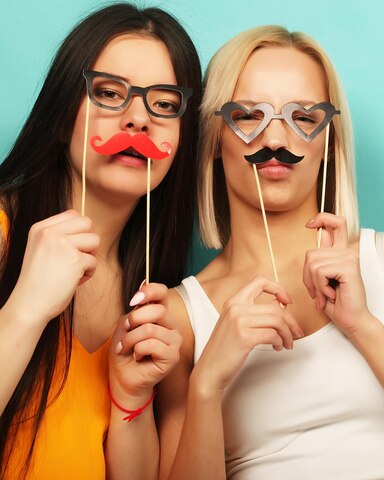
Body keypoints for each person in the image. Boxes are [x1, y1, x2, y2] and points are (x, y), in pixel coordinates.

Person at [158, 26, 384, 479]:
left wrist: (364, 327)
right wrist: (207, 383)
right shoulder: (178, 316)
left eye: (303, 117)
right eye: (248, 115)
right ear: (212, 140)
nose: (276, 139)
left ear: (329, 140)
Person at [0, 3, 201, 479]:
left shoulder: (154, 300)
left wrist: (131, 398)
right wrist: (26, 309)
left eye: (165, 104)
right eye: (110, 93)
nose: (138, 120)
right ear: (61, 110)